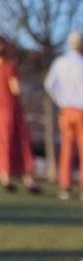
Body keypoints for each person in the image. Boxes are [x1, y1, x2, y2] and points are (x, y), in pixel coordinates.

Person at [44, 30, 83, 201]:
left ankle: (65, 187)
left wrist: (60, 100)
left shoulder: (60, 63)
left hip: (66, 110)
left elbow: (49, 85)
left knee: (67, 149)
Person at [0, 36, 38, 194]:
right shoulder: (9, 67)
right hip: (10, 109)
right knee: (19, 143)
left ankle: (6, 177)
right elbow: (15, 88)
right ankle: (27, 179)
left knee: (4, 143)